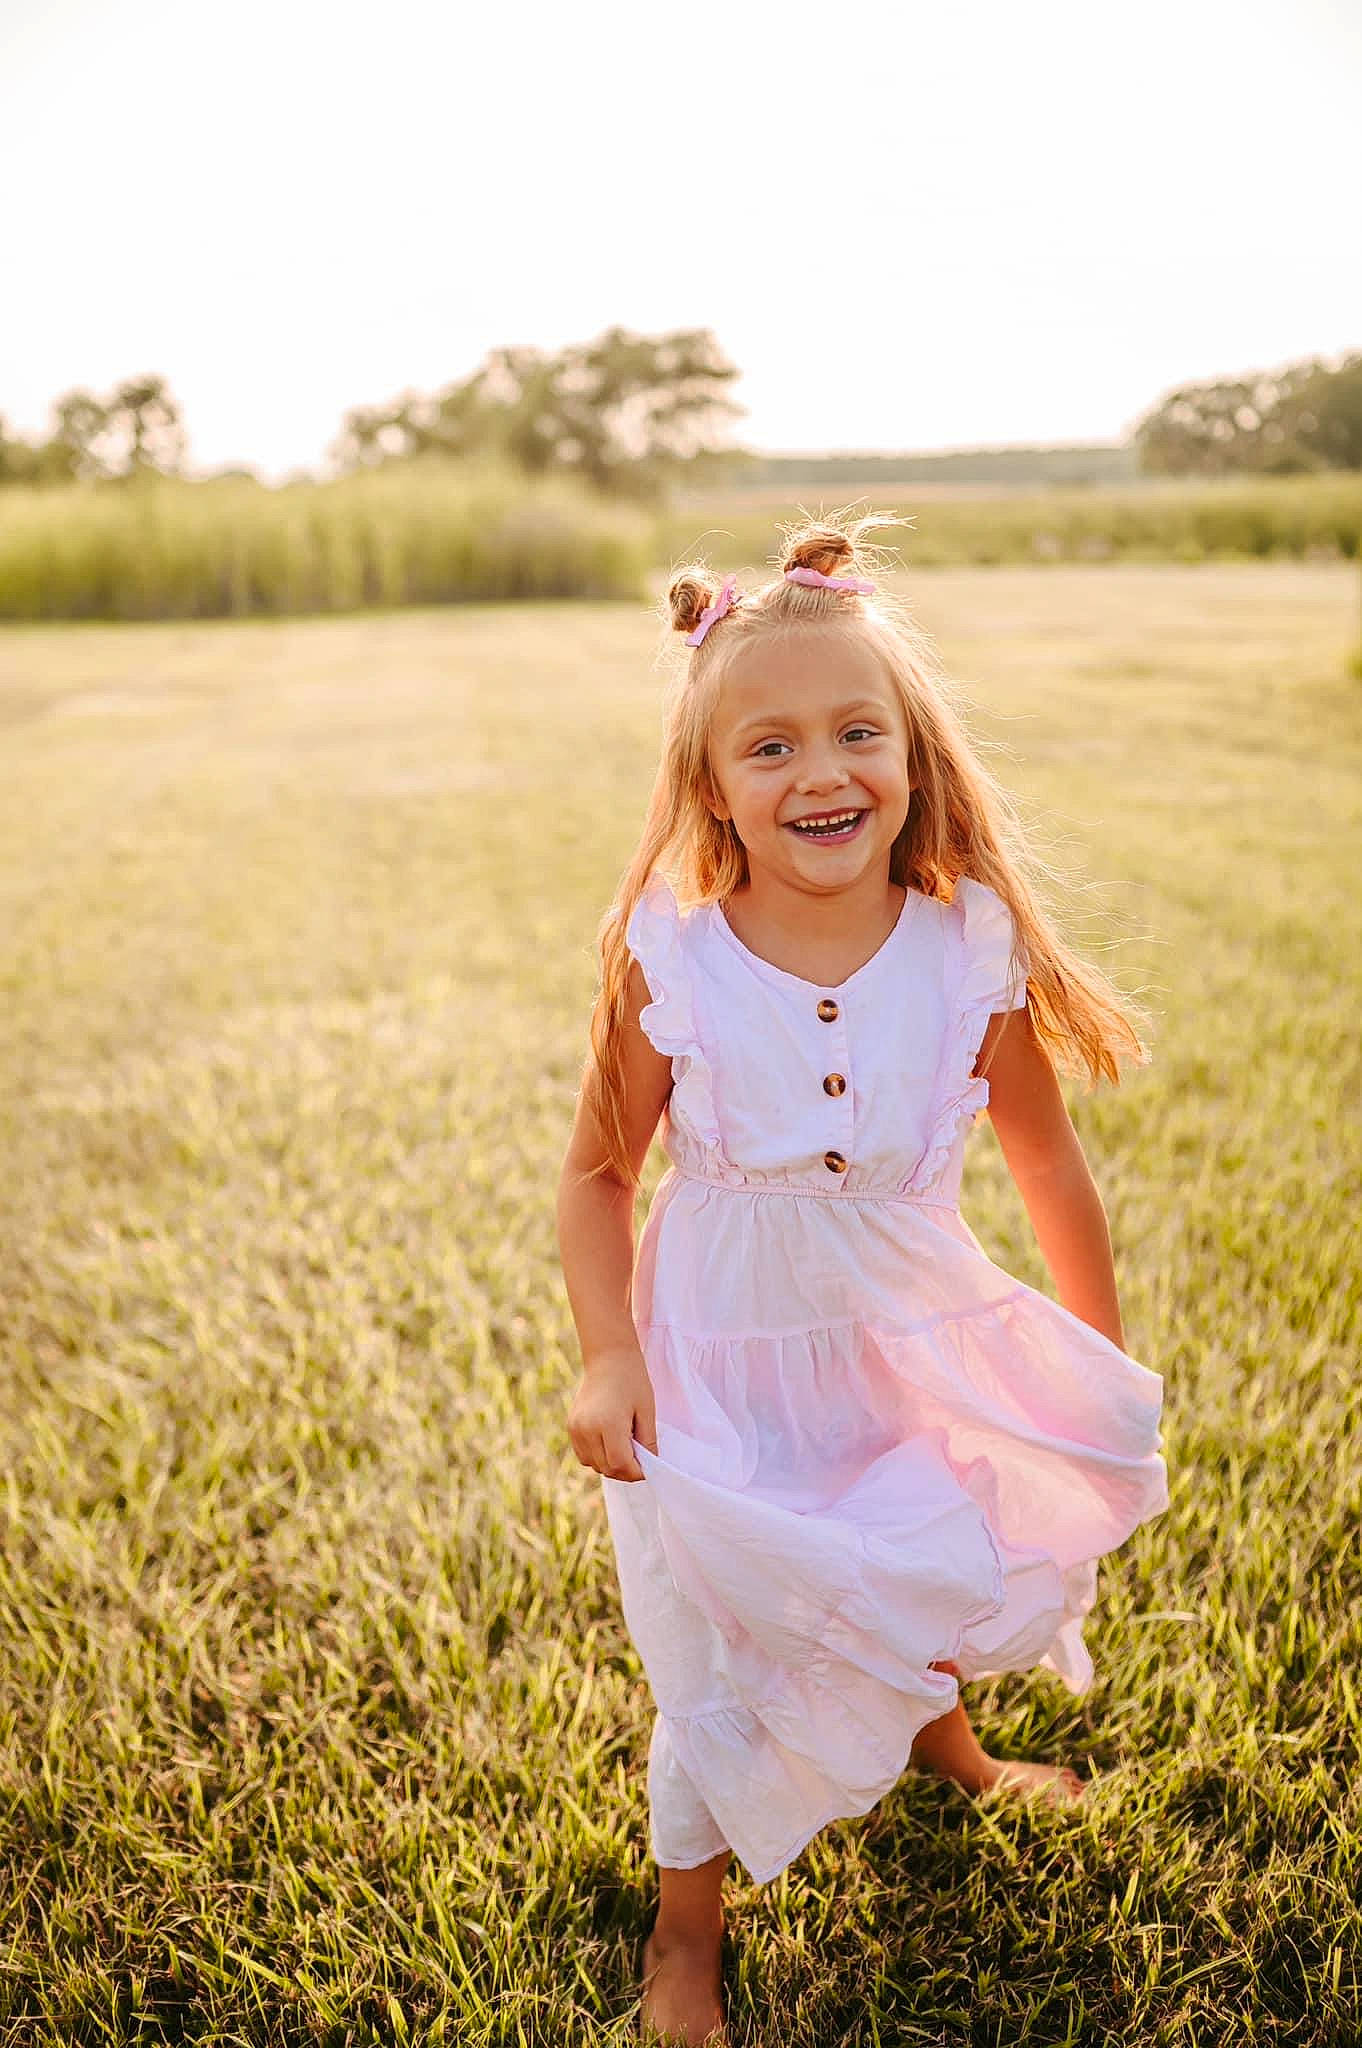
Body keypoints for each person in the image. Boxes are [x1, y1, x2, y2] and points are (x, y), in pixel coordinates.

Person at [555, 515, 1170, 2047]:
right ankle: (684, 1931)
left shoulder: (962, 951)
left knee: (910, 1547)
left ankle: (948, 1750)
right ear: (711, 786)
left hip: (903, 1334)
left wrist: (1089, 1351)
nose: (818, 772)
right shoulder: (674, 961)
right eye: (767, 747)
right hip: (715, 1359)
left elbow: (1045, 1164)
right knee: (717, 1648)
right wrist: (609, 1354)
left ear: (909, 754)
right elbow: (596, 1177)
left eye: (854, 733)